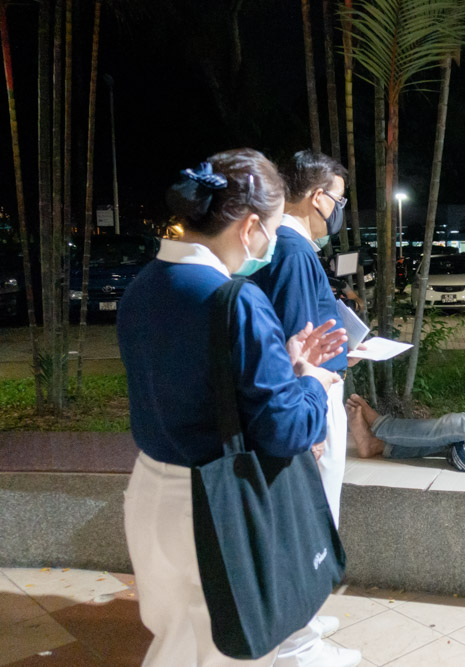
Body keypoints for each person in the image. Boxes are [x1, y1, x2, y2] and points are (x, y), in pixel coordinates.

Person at [118, 149, 350, 666]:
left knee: (179, 642)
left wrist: (284, 364)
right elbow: (286, 428)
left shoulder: (145, 285)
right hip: (213, 508)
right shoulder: (234, 300)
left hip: (152, 490)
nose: (271, 242)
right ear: (249, 228)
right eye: (270, 228)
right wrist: (310, 380)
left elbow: (201, 385)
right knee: (221, 651)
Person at [248, 150, 362, 667]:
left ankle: (307, 618)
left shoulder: (289, 248)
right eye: (338, 199)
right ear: (318, 197)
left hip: (314, 394)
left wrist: (344, 346)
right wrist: (307, 420)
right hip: (311, 401)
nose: (338, 209)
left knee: (317, 515)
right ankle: (298, 644)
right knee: (311, 519)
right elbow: (296, 342)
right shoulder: (294, 251)